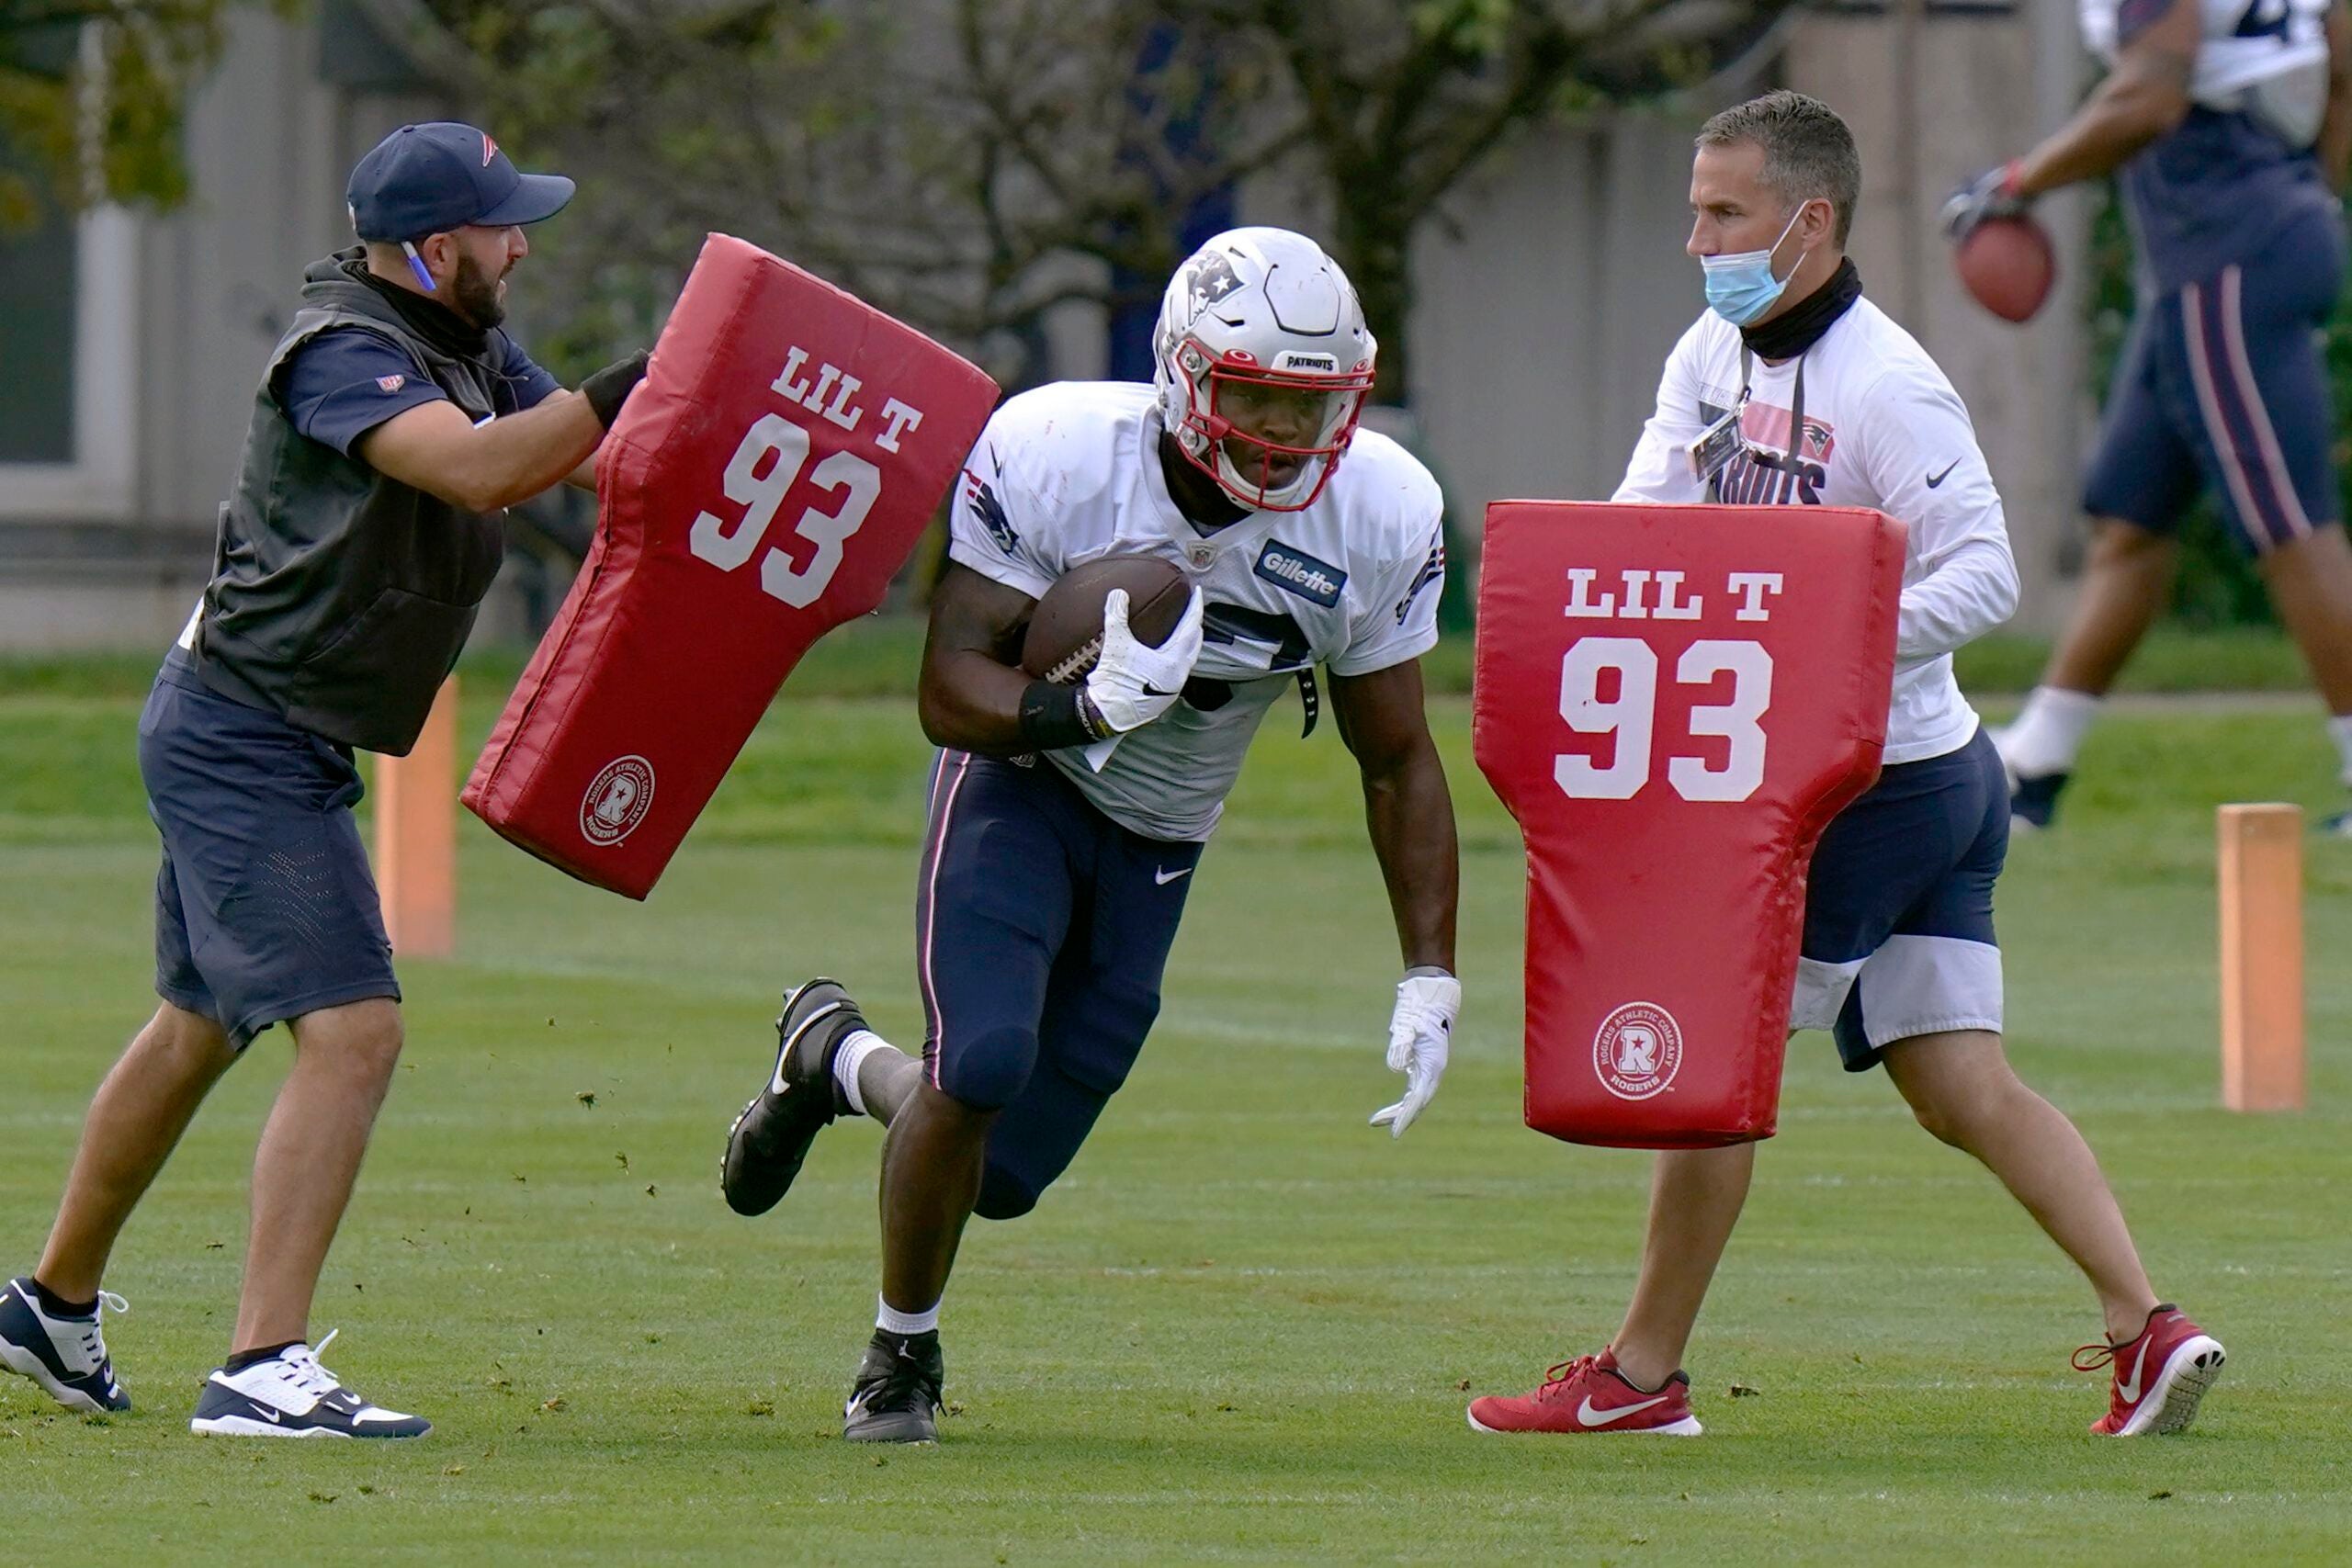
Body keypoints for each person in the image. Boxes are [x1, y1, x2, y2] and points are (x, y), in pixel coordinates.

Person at [1467, 92, 2223, 1440]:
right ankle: (2148, 1327)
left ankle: (1640, 1381)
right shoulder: (1711, 351)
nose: (1698, 240)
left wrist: (1819, 644)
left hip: (1877, 790)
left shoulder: (1892, 383)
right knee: (1962, 1085)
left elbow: (1988, 574)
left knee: (1714, 1067)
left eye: (1725, 213)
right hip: (1921, 778)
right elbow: (1653, 524)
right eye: (1694, 210)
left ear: (1809, 221)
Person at [718, 227, 1463, 1444]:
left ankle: (834, 1053)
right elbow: (948, 682)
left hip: (1164, 836)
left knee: (999, 1173)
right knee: (985, 1061)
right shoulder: (1060, 449)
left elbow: (1397, 759)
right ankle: (901, 1352)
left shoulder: (1379, 512)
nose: (1280, 431)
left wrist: (1430, 968)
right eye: (1254, 393)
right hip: (1022, 783)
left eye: (1306, 402)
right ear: (1179, 370)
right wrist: (1071, 708)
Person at [0, 122, 650, 1439]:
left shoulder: (465, 341)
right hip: (240, 733)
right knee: (356, 1030)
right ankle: (260, 1364)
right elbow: (479, 469)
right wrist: (639, 379)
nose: (521, 243)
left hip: (263, 727)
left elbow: (570, 451)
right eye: (501, 225)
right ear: (430, 246)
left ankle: (48, 1309)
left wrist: (703, 414)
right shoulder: (342, 352)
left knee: (197, 1023)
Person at [1944, 1, 2352, 830]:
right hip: (2245, 232)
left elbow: (2147, 100)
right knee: (2130, 519)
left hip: (2222, 242)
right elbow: (2343, 74)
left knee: (2291, 525)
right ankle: (2037, 761)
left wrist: (2015, 183)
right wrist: (2307, 199)